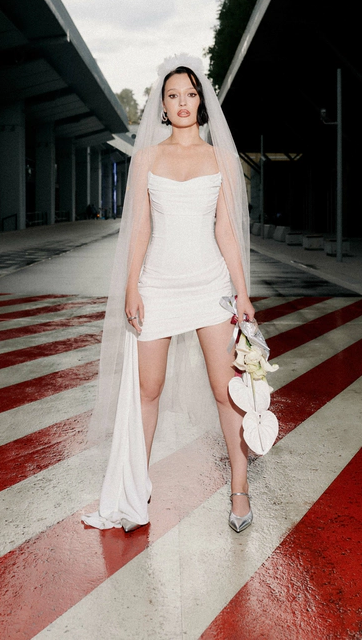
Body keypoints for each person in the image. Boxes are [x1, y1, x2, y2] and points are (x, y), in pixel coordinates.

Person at [82, 54, 254, 533]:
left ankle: (240, 489)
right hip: (156, 286)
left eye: (191, 95)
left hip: (211, 287)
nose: (182, 103)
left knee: (227, 390)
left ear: (201, 102)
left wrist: (242, 294)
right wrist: (131, 285)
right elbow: (139, 227)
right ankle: (135, 488)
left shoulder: (220, 159)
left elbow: (225, 230)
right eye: (173, 95)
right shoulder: (147, 158)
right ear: (161, 104)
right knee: (147, 390)